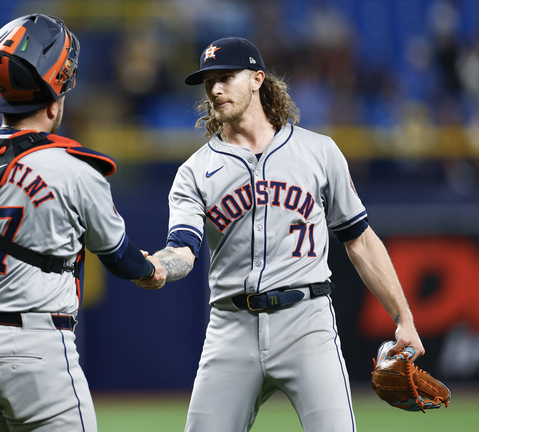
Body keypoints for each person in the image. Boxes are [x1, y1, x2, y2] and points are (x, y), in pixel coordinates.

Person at [135, 37, 424, 432]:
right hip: (231, 329)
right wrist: (158, 267)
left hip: (307, 323)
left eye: (226, 77)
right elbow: (183, 249)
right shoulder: (193, 172)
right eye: (209, 82)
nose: (216, 89)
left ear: (257, 79)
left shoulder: (319, 152)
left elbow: (359, 239)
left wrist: (403, 317)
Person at [0, 14, 161, 432]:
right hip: (34, 347)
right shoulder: (74, 169)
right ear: (55, 101)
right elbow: (120, 258)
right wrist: (154, 270)